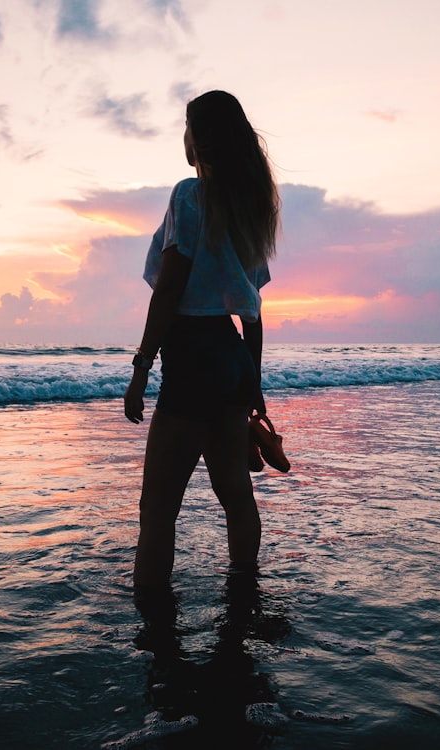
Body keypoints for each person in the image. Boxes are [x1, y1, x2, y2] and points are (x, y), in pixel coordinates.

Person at [124, 90, 279, 588]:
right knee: (234, 492)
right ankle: (243, 590)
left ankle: (153, 624)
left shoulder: (189, 196)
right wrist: (252, 380)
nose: (182, 134)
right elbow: (253, 311)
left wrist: (141, 367)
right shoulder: (248, 209)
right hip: (230, 353)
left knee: (158, 509)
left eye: (186, 124)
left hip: (191, 355)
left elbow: (170, 289)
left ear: (200, 138)